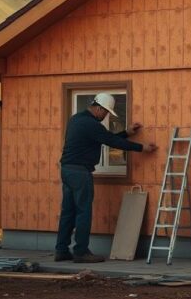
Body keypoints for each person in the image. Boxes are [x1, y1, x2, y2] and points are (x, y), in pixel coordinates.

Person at [55, 92, 158, 263]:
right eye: (106, 112)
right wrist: (142, 147)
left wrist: (127, 132)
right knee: (83, 212)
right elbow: (112, 142)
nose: (106, 116)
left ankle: (61, 250)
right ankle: (81, 252)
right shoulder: (91, 124)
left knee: (69, 211)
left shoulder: (76, 119)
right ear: (98, 108)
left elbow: (107, 139)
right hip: (81, 172)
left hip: (67, 170)